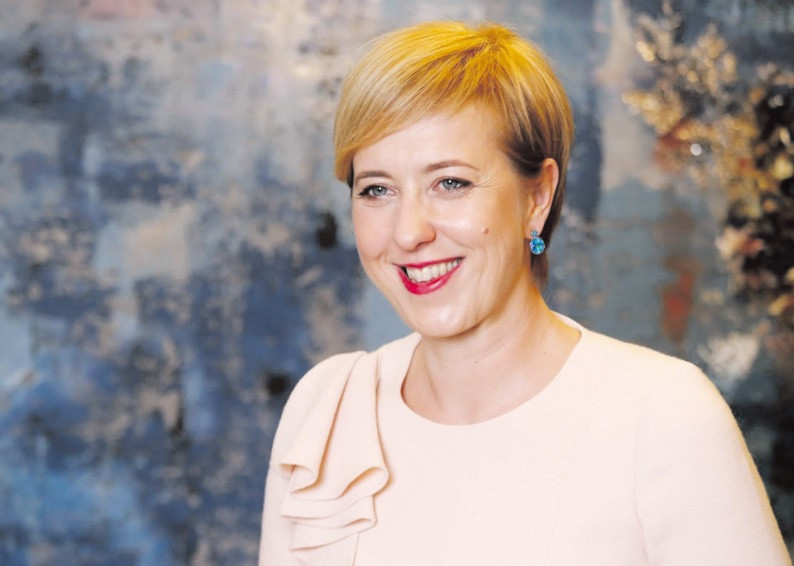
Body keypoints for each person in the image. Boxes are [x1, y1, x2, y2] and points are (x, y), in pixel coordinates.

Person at [258, 21, 791, 565]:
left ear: (537, 196)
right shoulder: (327, 411)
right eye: (376, 189)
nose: (408, 232)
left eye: (451, 183)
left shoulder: (663, 414)